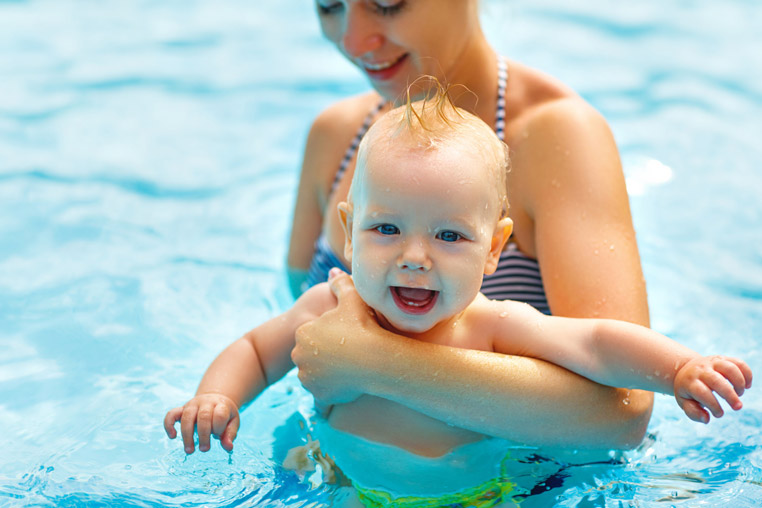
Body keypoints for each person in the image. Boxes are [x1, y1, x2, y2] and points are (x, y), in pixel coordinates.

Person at [165, 94, 752, 507]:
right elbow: (256, 350)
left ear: (494, 248)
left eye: (449, 237)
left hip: (483, 498)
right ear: (348, 231)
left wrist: (677, 368)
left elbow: (594, 341)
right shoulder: (328, 306)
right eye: (386, 229)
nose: (415, 257)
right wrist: (216, 396)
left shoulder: (493, 326)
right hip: (340, 486)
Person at [287, 0, 654, 448]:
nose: (352, 39)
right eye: (329, 6)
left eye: (386, 4)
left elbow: (623, 414)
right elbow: (293, 320)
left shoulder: (555, 136)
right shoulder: (336, 134)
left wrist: (374, 363)